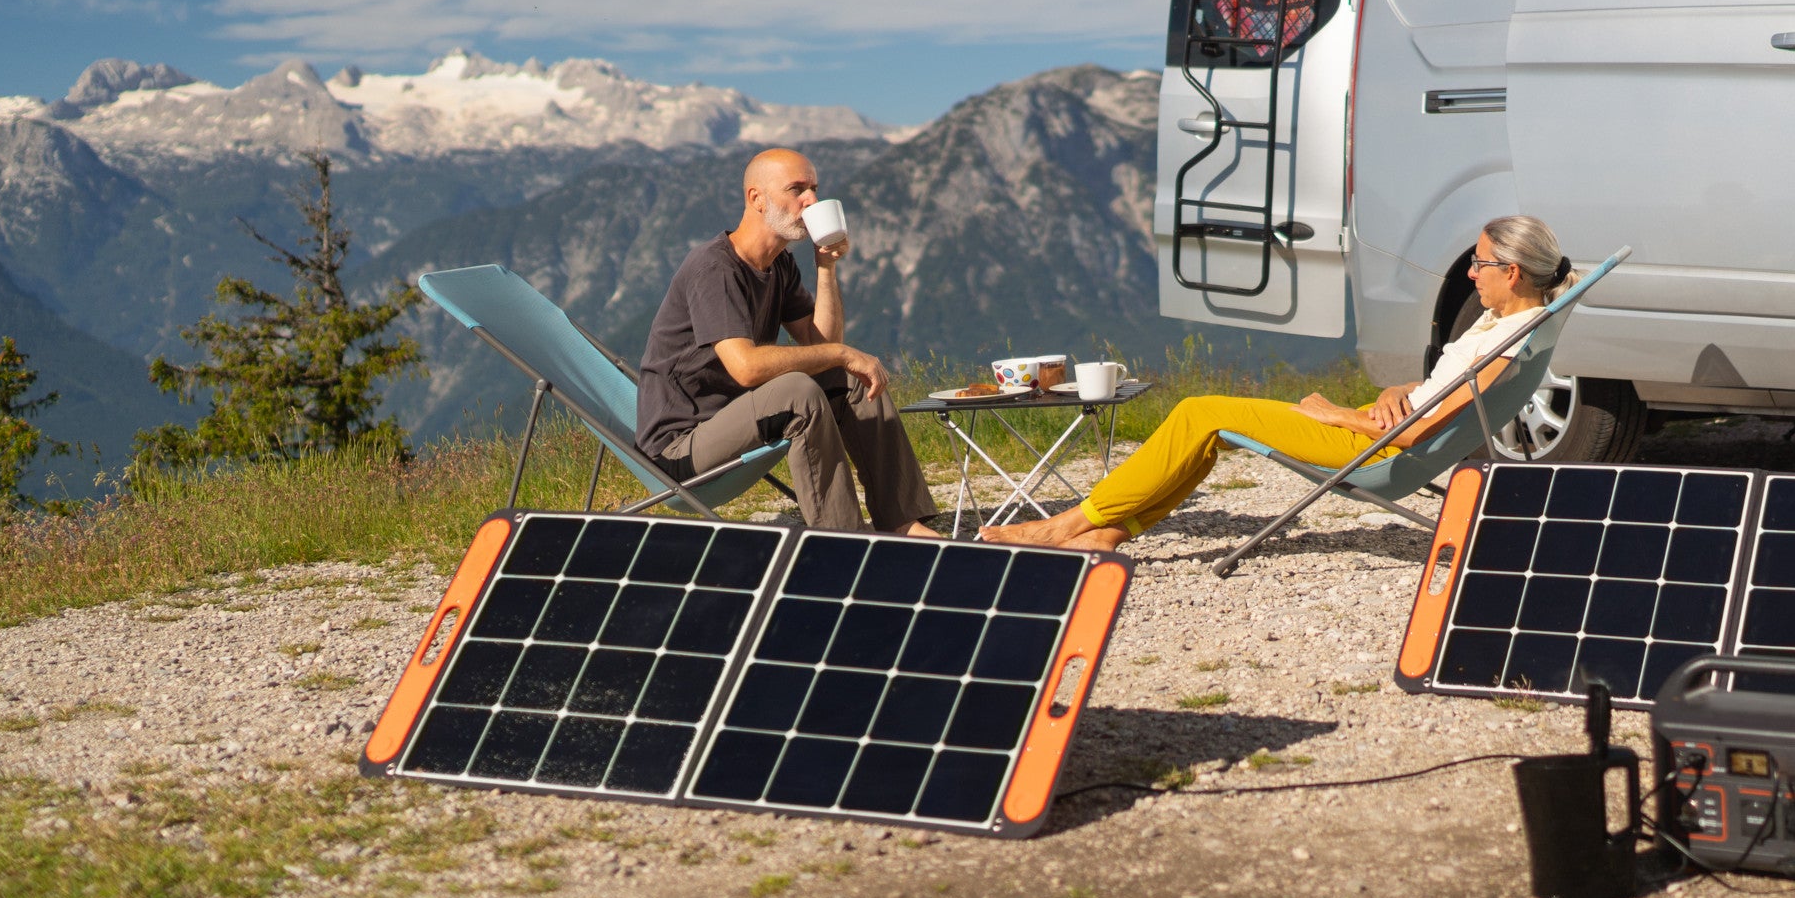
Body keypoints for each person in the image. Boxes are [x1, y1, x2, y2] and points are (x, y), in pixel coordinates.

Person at [983, 215, 1577, 552]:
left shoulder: (1506, 341)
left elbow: (1420, 429)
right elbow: (1435, 397)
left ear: (1513, 271)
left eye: (1479, 264)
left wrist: (1341, 415)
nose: (1471, 275)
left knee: (1198, 412)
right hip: (1382, 427)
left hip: (1373, 450)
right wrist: (1395, 391)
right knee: (1209, 426)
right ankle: (1109, 530)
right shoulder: (1514, 324)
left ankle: (1065, 525)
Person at [634, 148, 939, 535]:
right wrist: (842, 353)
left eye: (813, 189)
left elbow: (822, 346)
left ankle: (901, 522)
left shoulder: (779, 265)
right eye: (797, 189)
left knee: (850, 381)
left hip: (737, 418)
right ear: (756, 199)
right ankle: (843, 540)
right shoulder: (715, 268)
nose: (811, 199)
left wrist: (825, 267)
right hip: (678, 451)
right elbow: (746, 368)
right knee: (799, 389)